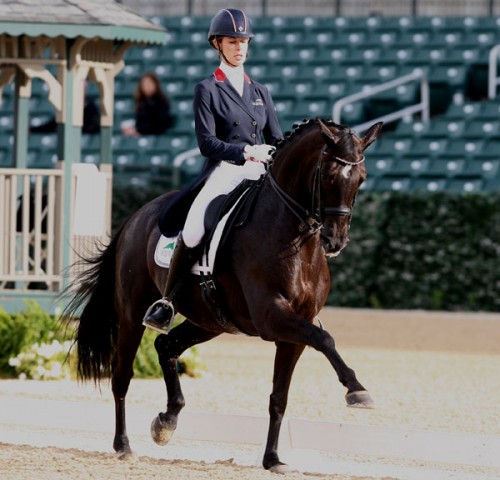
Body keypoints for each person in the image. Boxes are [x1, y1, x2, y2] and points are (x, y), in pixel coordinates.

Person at [143, 8, 283, 333]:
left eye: (243, 41)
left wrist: (275, 153)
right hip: (224, 169)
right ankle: (167, 302)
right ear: (217, 44)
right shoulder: (207, 89)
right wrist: (246, 150)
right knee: (192, 230)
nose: (240, 47)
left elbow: (277, 138)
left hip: (259, 172)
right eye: (232, 41)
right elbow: (207, 143)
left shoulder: (261, 91)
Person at [121, 72, 173, 136]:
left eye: (149, 84)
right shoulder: (141, 102)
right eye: (144, 85)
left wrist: (138, 130)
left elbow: (160, 123)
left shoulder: (161, 101)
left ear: (155, 85)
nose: (146, 87)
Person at [30, 95, 100, 134]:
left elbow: (94, 126)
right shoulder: (68, 106)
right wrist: (32, 129)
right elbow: (52, 125)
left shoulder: (90, 106)